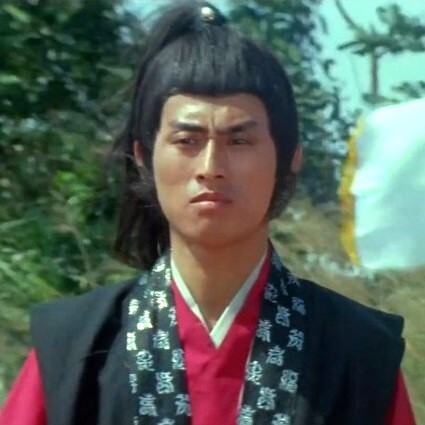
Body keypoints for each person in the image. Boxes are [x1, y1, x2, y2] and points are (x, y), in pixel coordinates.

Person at [0, 2, 416, 425]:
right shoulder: (73, 348)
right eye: (187, 141)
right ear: (143, 156)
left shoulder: (359, 352)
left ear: (290, 157)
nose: (211, 167)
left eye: (239, 141)